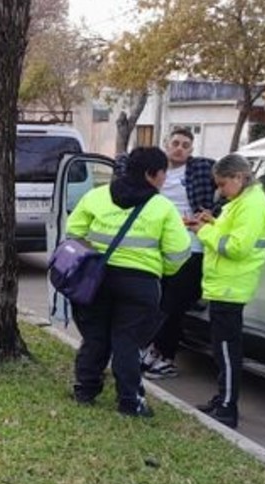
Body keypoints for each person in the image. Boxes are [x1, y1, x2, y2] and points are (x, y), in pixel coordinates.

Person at [67, 146, 193, 418]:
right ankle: (129, 401)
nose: (164, 179)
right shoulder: (162, 207)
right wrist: (161, 269)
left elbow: (73, 231)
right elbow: (178, 252)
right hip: (140, 283)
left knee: (95, 337)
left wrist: (94, 255)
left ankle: (85, 389)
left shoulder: (97, 196)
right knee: (127, 341)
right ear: (151, 174)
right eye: (162, 174)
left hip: (97, 280)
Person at [187, 154, 265, 428]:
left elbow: (236, 247)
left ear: (239, 177)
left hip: (231, 287)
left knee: (226, 350)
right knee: (222, 347)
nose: (220, 190)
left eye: (223, 184)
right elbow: (231, 234)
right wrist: (211, 223)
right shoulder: (241, 202)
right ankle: (222, 398)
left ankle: (227, 406)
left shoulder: (251, 206)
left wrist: (203, 232)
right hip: (225, 285)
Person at [127, 128, 217, 381]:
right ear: (166, 144)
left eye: (185, 145)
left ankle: (164, 355)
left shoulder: (201, 170)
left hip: (192, 246)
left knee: (172, 306)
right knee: (156, 302)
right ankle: (151, 351)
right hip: (157, 246)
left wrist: (208, 214)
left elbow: (228, 187)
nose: (179, 148)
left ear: (191, 150)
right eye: (175, 143)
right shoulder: (153, 172)